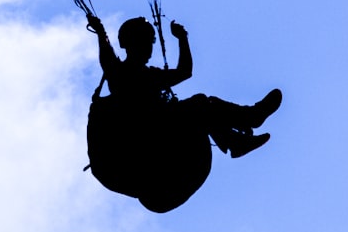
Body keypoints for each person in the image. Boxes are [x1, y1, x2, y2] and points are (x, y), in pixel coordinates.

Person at [86, 15, 282, 158]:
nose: (149, 48)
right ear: (129, 44)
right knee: (201, 104)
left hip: (160, 130)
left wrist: (182, 39)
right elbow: (107, 55)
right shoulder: (121, 72)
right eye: (144, 43)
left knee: (206, 103)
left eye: (150, 43)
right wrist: (100, 31)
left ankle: (239, 136)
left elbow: (184, 72)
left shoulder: (151, 74)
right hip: (148, 134)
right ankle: (246, 123)